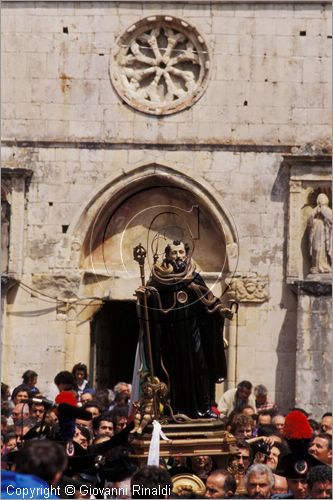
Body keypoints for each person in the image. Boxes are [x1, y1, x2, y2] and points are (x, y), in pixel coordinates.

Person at [140, 240, 231, 419]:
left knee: (200, 368)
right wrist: (146, 296)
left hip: (193, 333)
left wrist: (221, 310)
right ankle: (173, 409)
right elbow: (151, 303)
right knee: (173, 370)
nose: (178, 256)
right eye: (174, 253)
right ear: (167, 255)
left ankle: (203, 409)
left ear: (186, 254)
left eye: (181, 252)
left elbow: (209, 300)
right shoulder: (159, 280)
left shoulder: (194, 277)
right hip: (171, 335)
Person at [307, 192, 332, 274]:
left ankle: (325, 265)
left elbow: (331, 219)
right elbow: (309, 222)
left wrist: (323, 211)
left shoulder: (328, 210)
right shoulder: (314, 210)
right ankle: (315, 266)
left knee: (324, 251)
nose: (321, 201)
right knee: (316, 248)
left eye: (322, 199)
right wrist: (315, 213)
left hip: (326, 235)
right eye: (320, 199)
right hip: (316, 234)